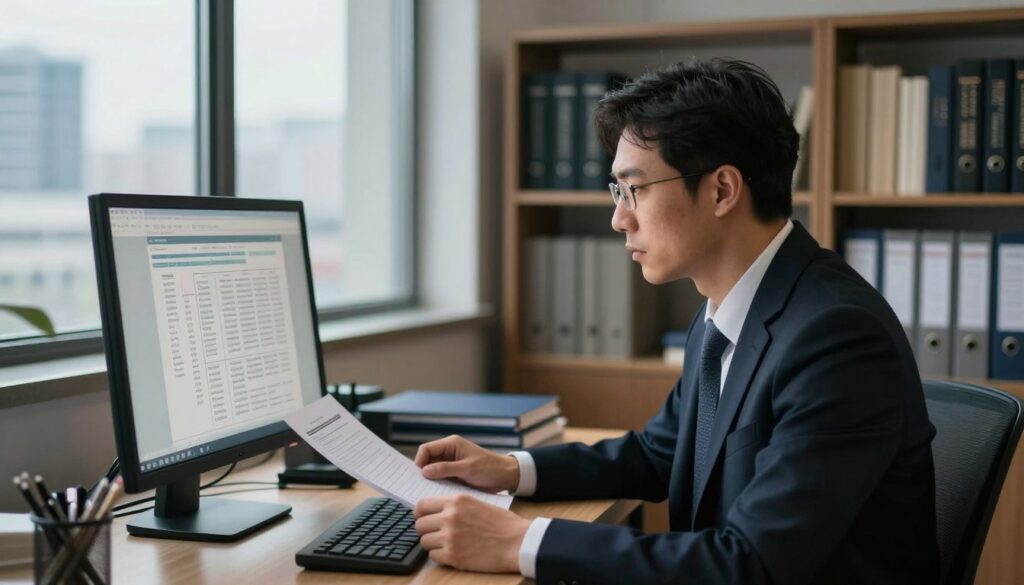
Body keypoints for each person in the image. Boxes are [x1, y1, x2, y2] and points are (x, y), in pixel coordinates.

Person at [412, 58, 939, 584]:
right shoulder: (729, 306)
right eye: (617, 192)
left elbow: (749, 565)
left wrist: (521, 542)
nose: (620, 217)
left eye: (634, 189)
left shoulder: (836, 337)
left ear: (722, 190)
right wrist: (510, 470)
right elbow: (659, 451)